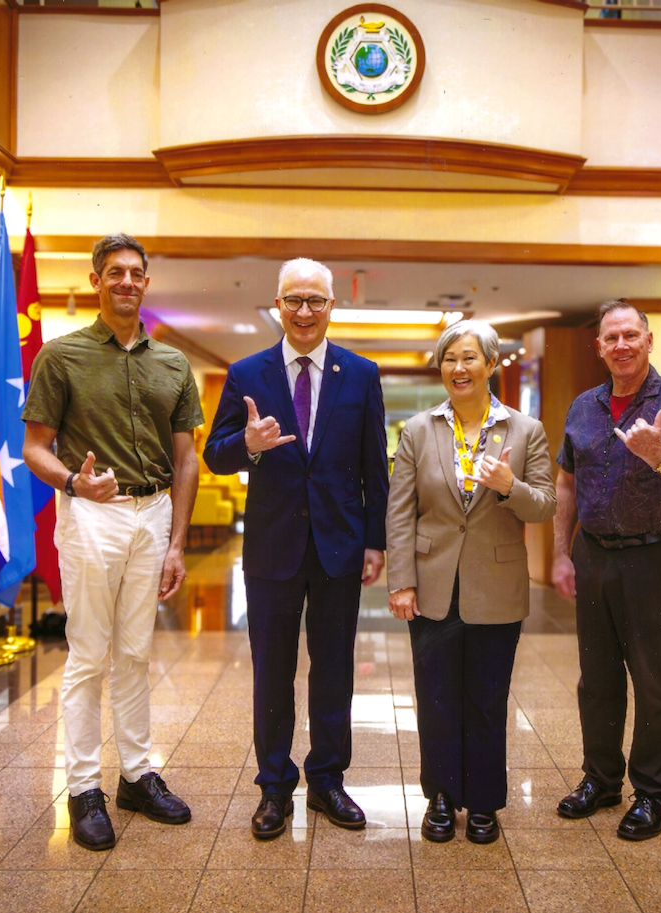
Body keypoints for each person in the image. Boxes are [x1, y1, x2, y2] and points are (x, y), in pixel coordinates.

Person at [21, 234, 202, 851]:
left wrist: (177, 543)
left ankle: (137, 774)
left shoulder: (173, 364)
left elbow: (186, 460)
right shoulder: (62, 355)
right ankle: (81, 788)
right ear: (97, 280)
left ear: (147, 283)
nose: (127, 281)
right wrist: (74, 481)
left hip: (153, 516)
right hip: (91, 515)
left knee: (135, 651)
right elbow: (34, 448)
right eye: (115, 272)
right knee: (89, 654)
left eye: (136, 273)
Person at [203, 257, 389, 840]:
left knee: (334, 669)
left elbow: (373, 466)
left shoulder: (360, 374)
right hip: (272, 547)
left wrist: (376, 540)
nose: (304, 312)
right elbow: (215, 452)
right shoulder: (246, 372)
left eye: (316, 301)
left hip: (339, 545)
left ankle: (328, 781)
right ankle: (275, 786)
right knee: (273, 671)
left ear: (332, 306)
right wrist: (249, 445)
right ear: (277, 305)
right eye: (294, 300)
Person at [551, 300, 661, 841]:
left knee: (652, 683)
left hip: (654, 560)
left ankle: (653, 794)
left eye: (631, 335)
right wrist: (560, 552)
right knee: (596, 681)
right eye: (611, 337)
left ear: (648, 340)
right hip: (594, 556)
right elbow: (566, 485)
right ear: (598, 347)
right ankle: (601, 780)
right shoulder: (583, 407)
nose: (621, 345)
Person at [386, 320, 556, 844]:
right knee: (435, 695)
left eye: (469, 359)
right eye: (449, 360)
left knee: (487, 697)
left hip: (497, 586)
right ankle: (439, 797)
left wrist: (509, 487)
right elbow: (400, 513)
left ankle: (483, 802)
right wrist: (401, 582)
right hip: (433, 585)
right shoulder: (418, 430)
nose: (458, 369)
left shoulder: (525, 430)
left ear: (492, 365)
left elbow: (546, 505)